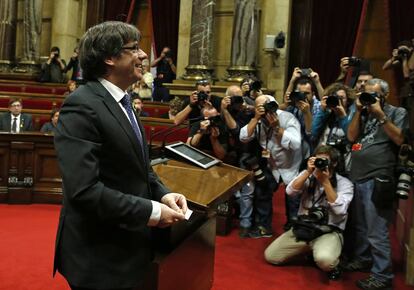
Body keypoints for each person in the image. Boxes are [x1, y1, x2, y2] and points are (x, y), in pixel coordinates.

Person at [53, 21, 188, 290]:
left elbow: (139, 167)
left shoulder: (124, 102)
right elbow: (84, 191)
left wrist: (162, 193)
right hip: (99, 255)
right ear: (109, 58)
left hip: (128, 246)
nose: (143, 55)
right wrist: (153, 211)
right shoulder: (82, 104)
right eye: (134, 49)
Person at [345, 78, 408, 290]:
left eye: (373, 94)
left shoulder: (397, 113)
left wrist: (380, 115)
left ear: (384, 96)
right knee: (362, 226)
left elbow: (400, 140)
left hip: (379, 178)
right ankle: (364, 259)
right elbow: (351, 137)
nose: (369, 98)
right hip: (358, 175)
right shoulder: (362, 113)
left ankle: (382, 275)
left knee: (376, 229)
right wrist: (357, 111)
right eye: (366, 93)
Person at [264, 145, 354, 280]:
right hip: (305, 228)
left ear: (334, 163)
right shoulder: (309, 175)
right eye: (318, 160)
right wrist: (307, 172)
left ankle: (333, 261)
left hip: (328, 231)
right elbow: (290, 192)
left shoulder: (344, 184)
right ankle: (310, 250)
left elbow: (339, 210)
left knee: (325, 260)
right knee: (271, 256)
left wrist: (326, 182)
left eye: (325, 161)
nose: (320, 164)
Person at [240, 95, 302, 238]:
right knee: (263, 192)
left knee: (292, 196)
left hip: (290, 164)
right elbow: (243, 137)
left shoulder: (287, 118)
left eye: (268, 105)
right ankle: (264, 227)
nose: (266, 110)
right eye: (260, 107)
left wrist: (277, 128)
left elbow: (295, 144)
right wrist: (255, 119)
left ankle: (293, 229)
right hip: (271, 164)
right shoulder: (258, 120)